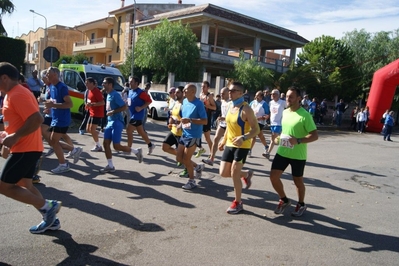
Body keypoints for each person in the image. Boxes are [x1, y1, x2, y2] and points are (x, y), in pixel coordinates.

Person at [0, 62, 61, 234]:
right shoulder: (12, 93)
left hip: (25, 148)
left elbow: (36, 119)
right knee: (25, 184)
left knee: (3, 186)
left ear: (4, 77)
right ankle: (51, 220)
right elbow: (18, 120)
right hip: (27, 147)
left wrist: (15, 137)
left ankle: (48, 207)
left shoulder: (17, 94)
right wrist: (7, 135)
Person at [269, 86, 318, 217]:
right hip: (283, 152)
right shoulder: (285, 112)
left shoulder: (305, 115)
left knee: (298, 181)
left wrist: (299, 140)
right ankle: (284, 200)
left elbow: (315, 135)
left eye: (291, 97)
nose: (287, 99)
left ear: (298, 98)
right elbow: (285, 131)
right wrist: (278, 139)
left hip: (298, 155)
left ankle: (301, 204)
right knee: (273, 177)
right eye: (287, 96)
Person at [218, 81, 260, 214]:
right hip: (230, 143)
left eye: (233, 90)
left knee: (234, 173)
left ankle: (238, 202)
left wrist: (244, 137)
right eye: (229, 90)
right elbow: (229, 127)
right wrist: (223, 140)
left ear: (241, 93)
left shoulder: (246, 109)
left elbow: (256, 129)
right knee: (224, 172)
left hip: (242, 145)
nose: (230, 92)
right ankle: (246, 174)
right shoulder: (231, 106)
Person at [44, 67, 83, 174]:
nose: (46, 75)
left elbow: (69, 104)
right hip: (55, 118)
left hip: (62, 119)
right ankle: (74, 151)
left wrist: (53, 105)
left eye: (48, 73)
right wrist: (49, 107)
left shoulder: (62, 87)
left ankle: (64, 164)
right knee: (52, 141)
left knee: (53, 141)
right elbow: (54, 101)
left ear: (55, 75)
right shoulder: (52, 86)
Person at [100, 77, 143, 173]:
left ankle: (136, 151)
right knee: (105, 143)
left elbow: (124, 106)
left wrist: (113, 111)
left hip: (117, 122)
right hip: (110, 122)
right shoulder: (108, 94)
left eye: (104, 83)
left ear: (110, 85)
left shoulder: (115, 95)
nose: (103, 84)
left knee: (116, 146)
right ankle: (110, 165)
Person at [176, 83, 207, 190]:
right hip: (185, 134)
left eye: (185, 90)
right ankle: (198, 167)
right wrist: (180, 125)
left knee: (186, 159)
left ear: (193, 92)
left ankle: (192, 181)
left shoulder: (199, 104)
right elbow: (184, 117)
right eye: (183, 90)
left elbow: (205, 121)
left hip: (194, 135)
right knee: (179, 158)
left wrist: (190, 120)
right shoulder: (184, 101)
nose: (183, 92)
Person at [126, 77, 156, 155]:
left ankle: (128, 149)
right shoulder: (130, 91)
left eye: (131, 82)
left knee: (129, 130)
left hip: (137, 115)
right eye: (129, 81)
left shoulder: (140, 92)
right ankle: (150, 145)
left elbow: (149, 101)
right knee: (141, 132)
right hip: (132, 114)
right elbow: (130, 102)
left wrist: (141, 108)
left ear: (136, 83)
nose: (130, 83)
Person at [202, 87, 230, 166]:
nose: (221, 95)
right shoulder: (222, 101)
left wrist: (224, 118)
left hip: (229, 125)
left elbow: (232, 116)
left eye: (223, 93)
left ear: (228, 93)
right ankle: (211, 159)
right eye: (221, 93)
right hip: (222, 123)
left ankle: (229, 162)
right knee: (215, 139)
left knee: (227, 143)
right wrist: (220, 117)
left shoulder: (231, 103)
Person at [195, 81, 216, 158]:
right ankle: (201, 148)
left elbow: (214, 107)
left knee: (207, 138)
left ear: (208, 88)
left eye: (204, 87)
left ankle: (212, 154)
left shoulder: (209, 96)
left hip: (207, 119)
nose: (202, 88)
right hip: (200, 118)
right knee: (197, 135)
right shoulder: (201, 95)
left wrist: (207, 106)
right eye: (201, 86)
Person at [162, 87, 183, 158]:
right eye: (175, 92)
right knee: (165, 147)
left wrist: (177, 123)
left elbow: (187, 120)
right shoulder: (176, 103)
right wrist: (171, 121)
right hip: (173, 131)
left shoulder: (184, 105)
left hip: (181, 133)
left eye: (178, 92)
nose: (175, 94)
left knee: (183, 157)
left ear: (183, 94)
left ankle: (196, 166)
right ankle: (180, 156)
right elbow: (173, 115)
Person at [85, 77, 105, 151]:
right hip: (91, 112)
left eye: (87, 83)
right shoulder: (89, 91)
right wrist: (87, 105)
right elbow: (90, 100)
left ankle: (98, 146)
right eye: (85, 83)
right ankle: (106, 136)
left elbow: (102, 102)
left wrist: (92, 104)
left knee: (92, 130)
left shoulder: (96, 91)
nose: (86, 84)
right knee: (88, 129)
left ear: (92, 84)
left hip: (97, 113)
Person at [266, 89, 286, 159]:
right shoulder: (270, 103)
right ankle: (269, 152)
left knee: (273, 138)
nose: (272, 95)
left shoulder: (283, 102)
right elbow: (271, 112)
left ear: (278, 95)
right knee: (274, 139)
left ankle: (268, 152)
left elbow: (289, 108)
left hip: (279, 123)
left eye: (274, 94)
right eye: (271, 94)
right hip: (272, 123)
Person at [249, 90, 270, 157]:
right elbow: (248, 110)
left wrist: (261, 117)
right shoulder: (252, 102)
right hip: (252, 121)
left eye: (258, 95)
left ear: (261, 96)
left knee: (253, 135)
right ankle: (266, 146)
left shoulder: (264, 104)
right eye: (256, 95)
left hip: (260, 122)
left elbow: (267, 114)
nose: (256, 96)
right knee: (261, 136)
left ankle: (249, 150)